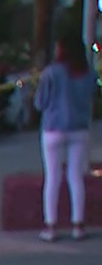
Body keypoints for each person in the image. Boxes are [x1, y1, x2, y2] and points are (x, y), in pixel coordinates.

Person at [34, 36, 96, 242]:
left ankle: (51, 227)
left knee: (53, 177)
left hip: (53, 128)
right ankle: (78, 226)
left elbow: (40, 103)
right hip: (79, 128)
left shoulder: (51, 73)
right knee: (75, 177)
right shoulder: (88, 74)